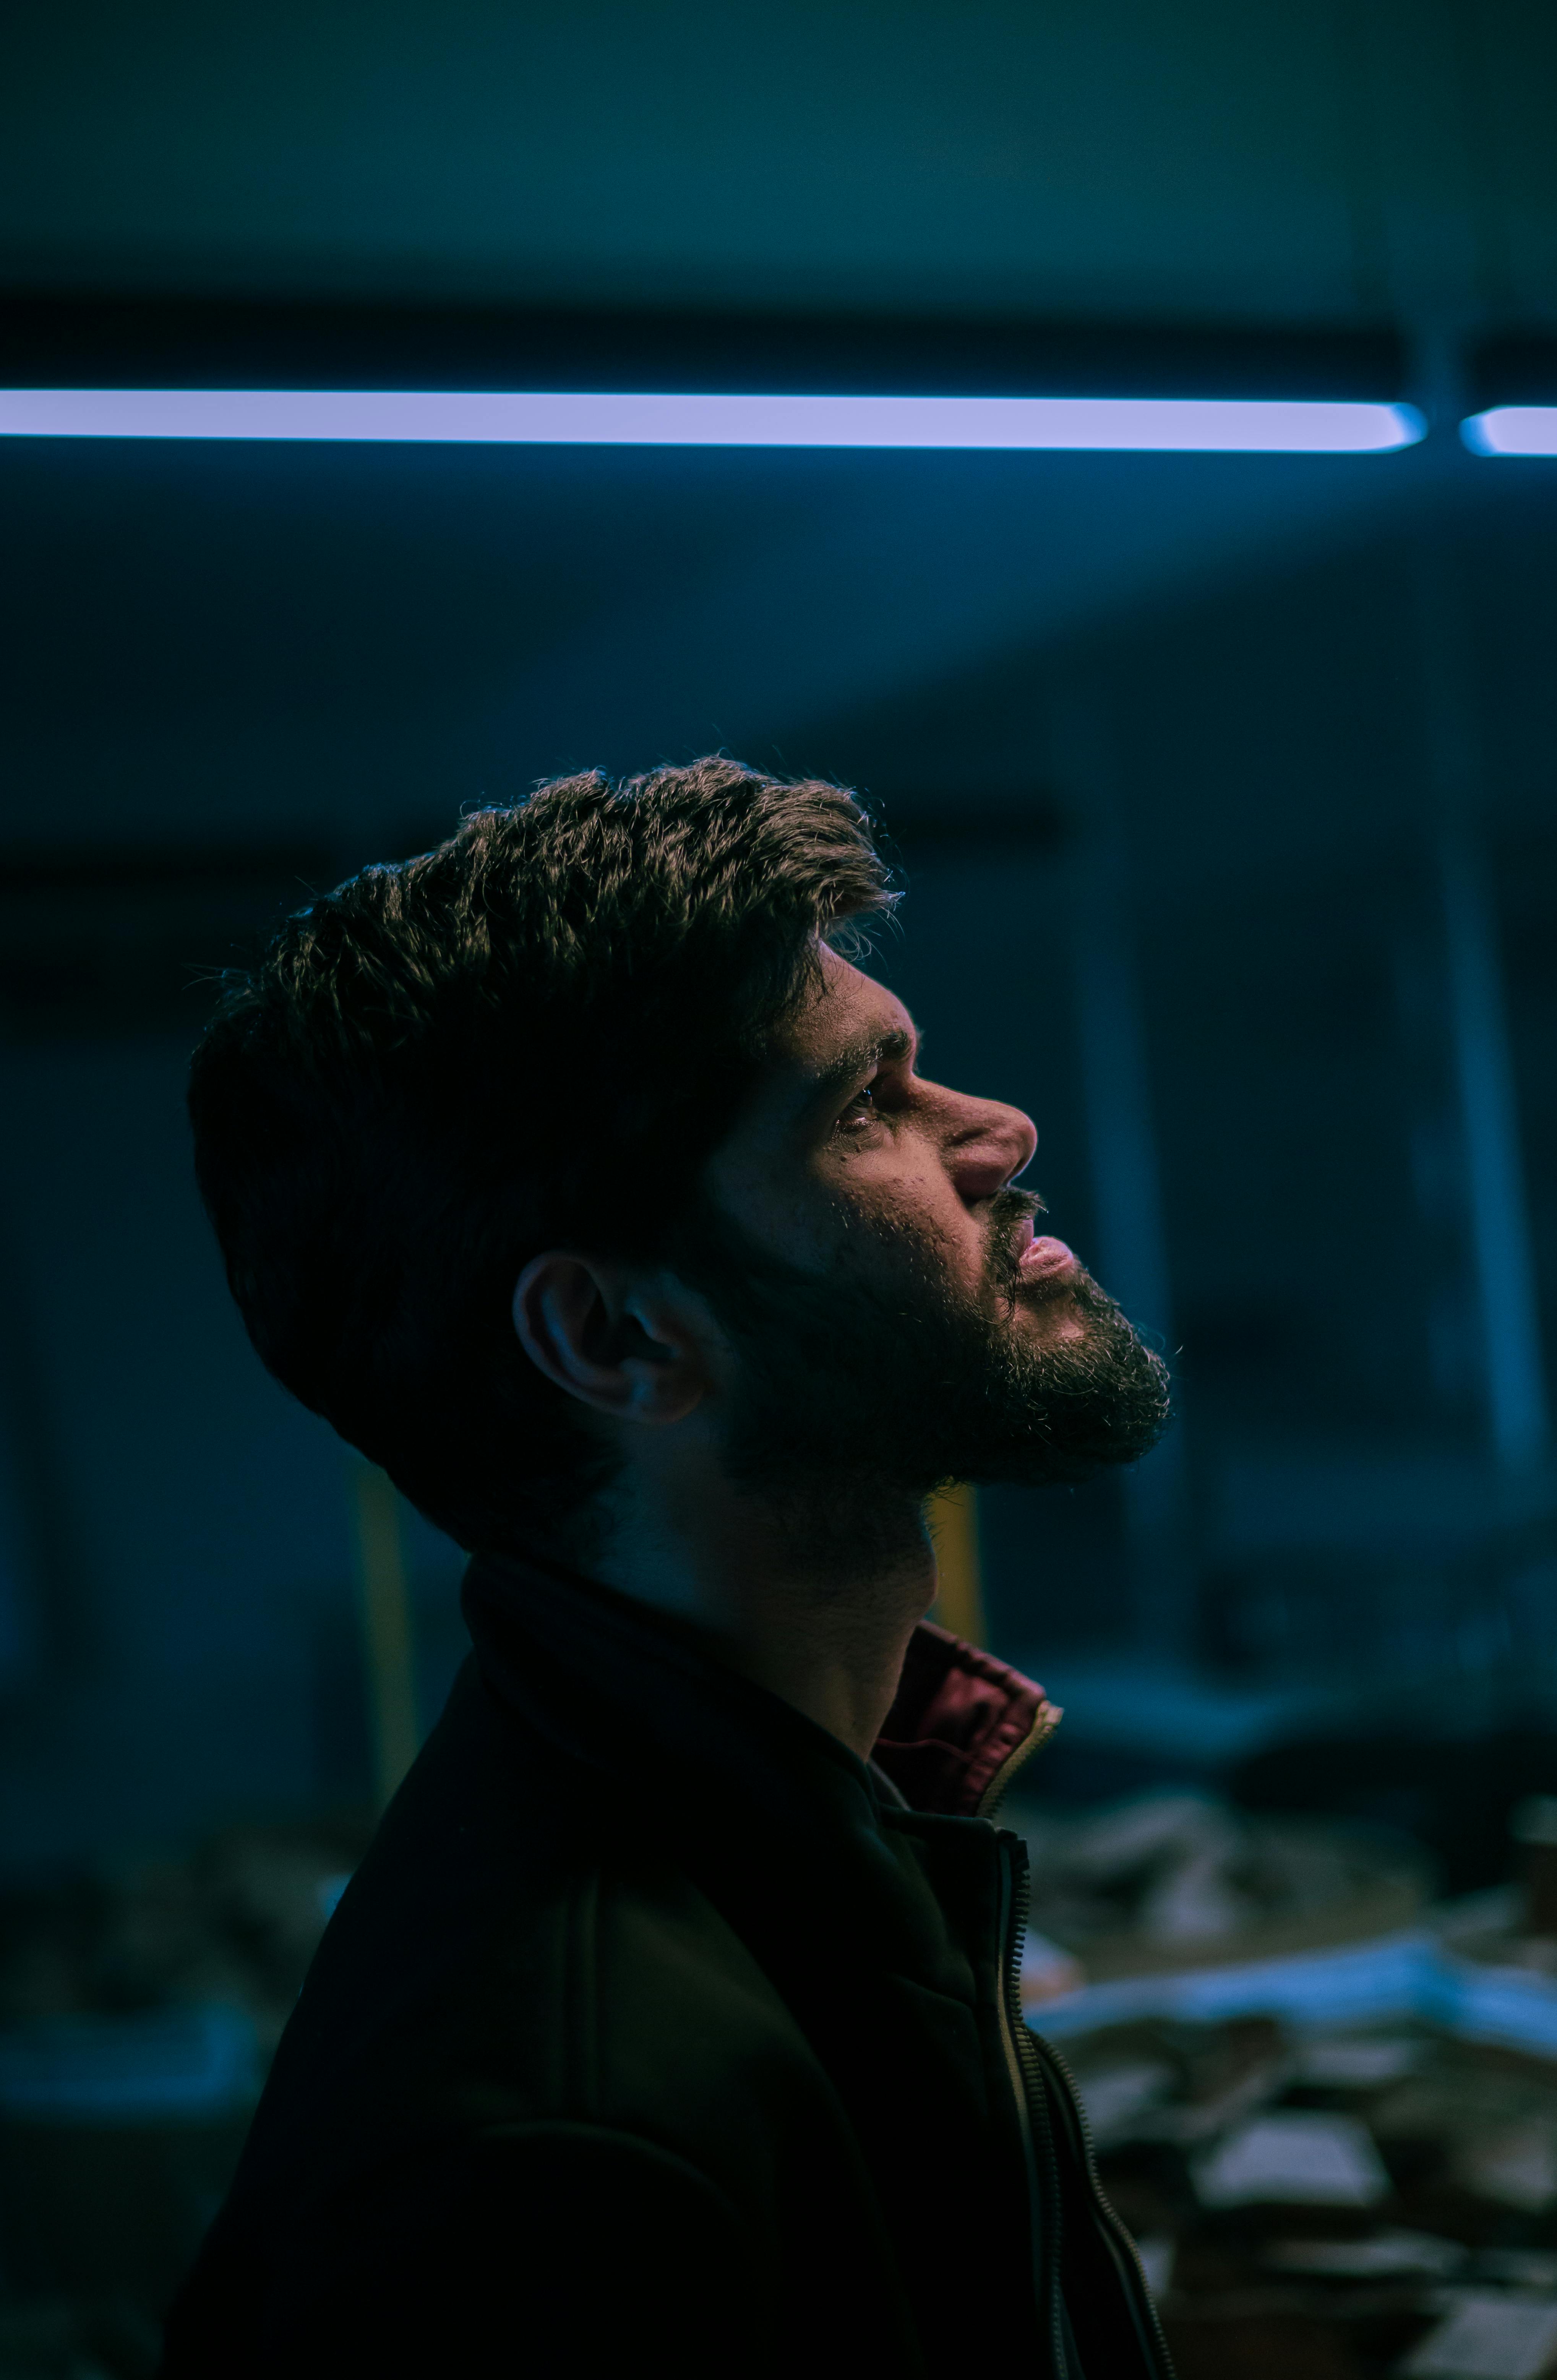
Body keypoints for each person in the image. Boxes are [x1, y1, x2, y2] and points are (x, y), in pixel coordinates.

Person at [162, 758, 1174, 2378]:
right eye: (862, 1106)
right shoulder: (557, 2148)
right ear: (618, 1336)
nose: (996, 1130)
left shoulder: (819, 1821)